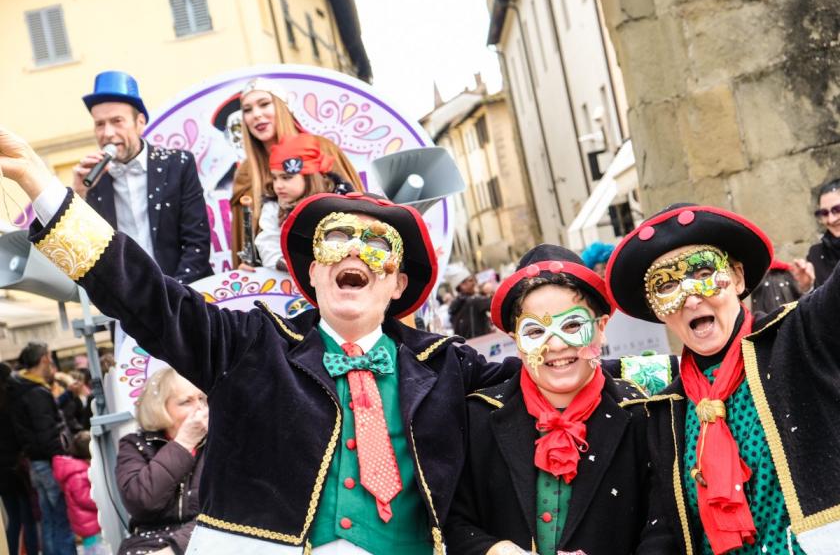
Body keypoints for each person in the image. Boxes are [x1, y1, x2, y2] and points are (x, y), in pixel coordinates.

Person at [1, 125, 520, 554]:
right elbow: (144, 295)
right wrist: (39, 183)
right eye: (337, 239)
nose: (354, 254)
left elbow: (547, 384)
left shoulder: (448, 366)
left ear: (399, 283)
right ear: (312, 273)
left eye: (376, 246)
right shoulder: (249, 347)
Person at [604, 203, 840, 554]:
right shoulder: (668, 410)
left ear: (738, 278)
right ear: (657, 308)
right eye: (667, 285)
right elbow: (665, 528)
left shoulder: (798, 337)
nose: (691, 298)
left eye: (703, 273)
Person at [445, 244, 672, 554]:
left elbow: (663, 529)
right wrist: (493, 549)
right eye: (535, 332)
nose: (555, 345)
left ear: (601, 327)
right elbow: (455, 521)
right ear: (516, 341)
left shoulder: (643, 415)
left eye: (572, 325)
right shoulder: (478, 418)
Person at [71, 70, 212, 285]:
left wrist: (175, 295)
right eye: (100, 124)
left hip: (187, 291)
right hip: (128, 300)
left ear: (140, 122)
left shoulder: (178, 164)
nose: (107, 133)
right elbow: (83, 253)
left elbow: (197, 242)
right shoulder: (92, 179)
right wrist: (79, 194)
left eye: (117, 121)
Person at [229, 77, 362, 265]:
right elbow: (245, 242)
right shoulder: (246, 172)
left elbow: (358, 211)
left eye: (264, 104)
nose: (256, 114)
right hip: (274, 276)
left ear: (283, 107)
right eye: (247, 110)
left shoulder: (321, 148)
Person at [116, 367, 207, 555]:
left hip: (207, 541)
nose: (200, 408)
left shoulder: (220, 444)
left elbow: (230, 512)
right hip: (147, 543)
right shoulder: (135, 445)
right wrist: (183, 444)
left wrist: (175, 549)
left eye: (202, 399)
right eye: (186, 402)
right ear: (158, 408)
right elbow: (141, 503)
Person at [9, 342, 76, 555]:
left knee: (49, 520)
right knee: (61, 520)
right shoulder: (35, 392)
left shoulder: (21, 388)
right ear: (44, 359)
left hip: (35, 463)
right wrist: (62, 455)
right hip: (48, 463)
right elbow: (47, 434)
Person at [249, 133, 353, 271]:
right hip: (291, 279)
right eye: (274, 178)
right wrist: (290, 266)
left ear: (309, 177)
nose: (278, 185)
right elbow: (268, 244)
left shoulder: (340, 202)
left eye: (286, 177)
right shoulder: (274, 207)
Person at [0, 362, 39, 555]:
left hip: (2, 473)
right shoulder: (12, 402)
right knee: (28, 519)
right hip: (18, 468)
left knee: (13, 520)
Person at [52, 431, 108, 555]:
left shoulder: (76, 470)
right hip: (88, 523)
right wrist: (101, 500)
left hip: (85, 521)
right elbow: (84, 498)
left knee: (94, 548)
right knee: (95, 550)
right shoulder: (78, 474)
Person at [791, 178, 840, 292]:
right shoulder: (816, 254)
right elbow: (818, 300)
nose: (831, 219)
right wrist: (808, 286)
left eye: (837, 209)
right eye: (824, 213)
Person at [447, 265, 494, 339]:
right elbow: (496, 305)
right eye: (471, 280)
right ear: (462, 285)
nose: (474, 283)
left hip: (465, 343)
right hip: (482, 342)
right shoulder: (474, 301)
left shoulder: (455, 304)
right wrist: (491, 292)